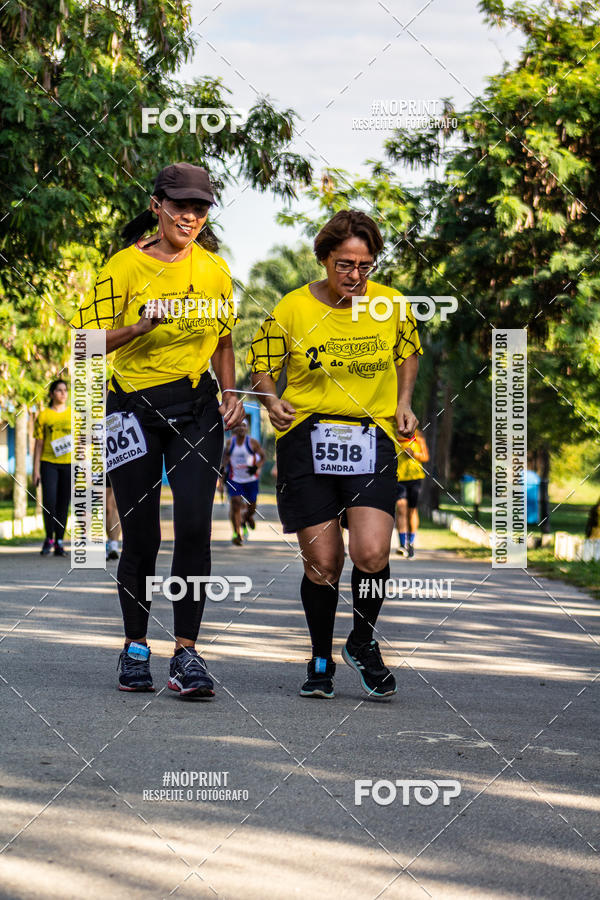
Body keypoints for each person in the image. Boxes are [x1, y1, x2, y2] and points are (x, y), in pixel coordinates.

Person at [70, 162, 244, 698]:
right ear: (157, 206)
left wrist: (231, 391)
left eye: (201, 207)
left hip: (196, 408)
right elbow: (84, 345)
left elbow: (222, 340)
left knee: (195, 525)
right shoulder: (121, 269)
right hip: (132, 410)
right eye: (181, 205)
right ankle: (135, 647)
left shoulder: (214, 271)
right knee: (142, 532)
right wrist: (139, 326)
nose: (190, 216)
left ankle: (187, 652)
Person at [248, 209, 422, 701]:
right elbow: (262, 363)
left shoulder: (390, 305)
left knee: (371, 553)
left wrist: (403, 403)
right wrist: (270, 397)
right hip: (307, 438)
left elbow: (407, 351)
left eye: (365, 265)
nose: (355, 275)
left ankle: (363, 640)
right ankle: (320, 656)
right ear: (324, 258)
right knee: (323, 562)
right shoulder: (292, 308)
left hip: (371, 437)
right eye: (345, 264)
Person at [33, 379, 71, 557]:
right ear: (52, 394)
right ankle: (49, 538)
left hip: (69, 464)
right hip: (48, 463)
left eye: (65, 390)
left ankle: (59, 542)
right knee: (49, 502)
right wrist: (35, 470)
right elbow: (38, 444)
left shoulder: (74, 415)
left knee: (63, 504)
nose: (63, 393)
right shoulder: (44, 415)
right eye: (59, 390)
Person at [222, 419, 265, 545]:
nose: (241, 428)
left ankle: (247, 518)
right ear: (234, 428)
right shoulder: (230, 443)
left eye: (244, 426)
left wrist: (256, 467)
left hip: (250, 480)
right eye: (238, 425)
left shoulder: (252, 443)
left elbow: (262, 457)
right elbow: (225, 459)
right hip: (234, 479)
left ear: (247, 428)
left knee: (252, 507)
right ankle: (236, 534)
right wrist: (222, 472)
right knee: (235, 504)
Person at [395, 428, 429, 558]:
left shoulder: (418, 435)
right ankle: (402, 544)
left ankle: (411, 543)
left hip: (415, 479)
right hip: (398, 479)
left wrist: (413, 454)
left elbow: (425, 456)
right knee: (401, 509)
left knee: (412, 511)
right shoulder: (392, 432)